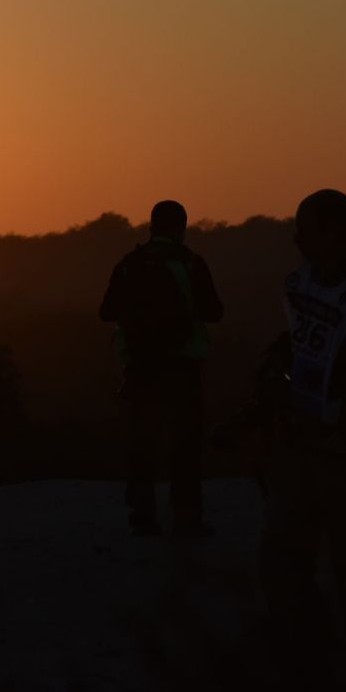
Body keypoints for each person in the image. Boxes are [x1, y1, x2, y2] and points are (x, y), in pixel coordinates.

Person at [229, 189, 346, 692]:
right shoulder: (313, 285)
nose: (296, 240)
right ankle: (307, 665)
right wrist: (271, 378)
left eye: (305, 230)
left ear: (334, 233)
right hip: (301, 447)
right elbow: (303, 344)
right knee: (284, 561)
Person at [100, 199, 224, 538]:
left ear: (151, 226)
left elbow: (107, 311)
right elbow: (214, 312)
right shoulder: (191, 264)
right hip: (183, 366)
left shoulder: (129, 264)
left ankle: (142, 515)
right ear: (181, 226)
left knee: (143, 442)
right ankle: (187, 517)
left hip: (140, 367)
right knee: (185, 444)